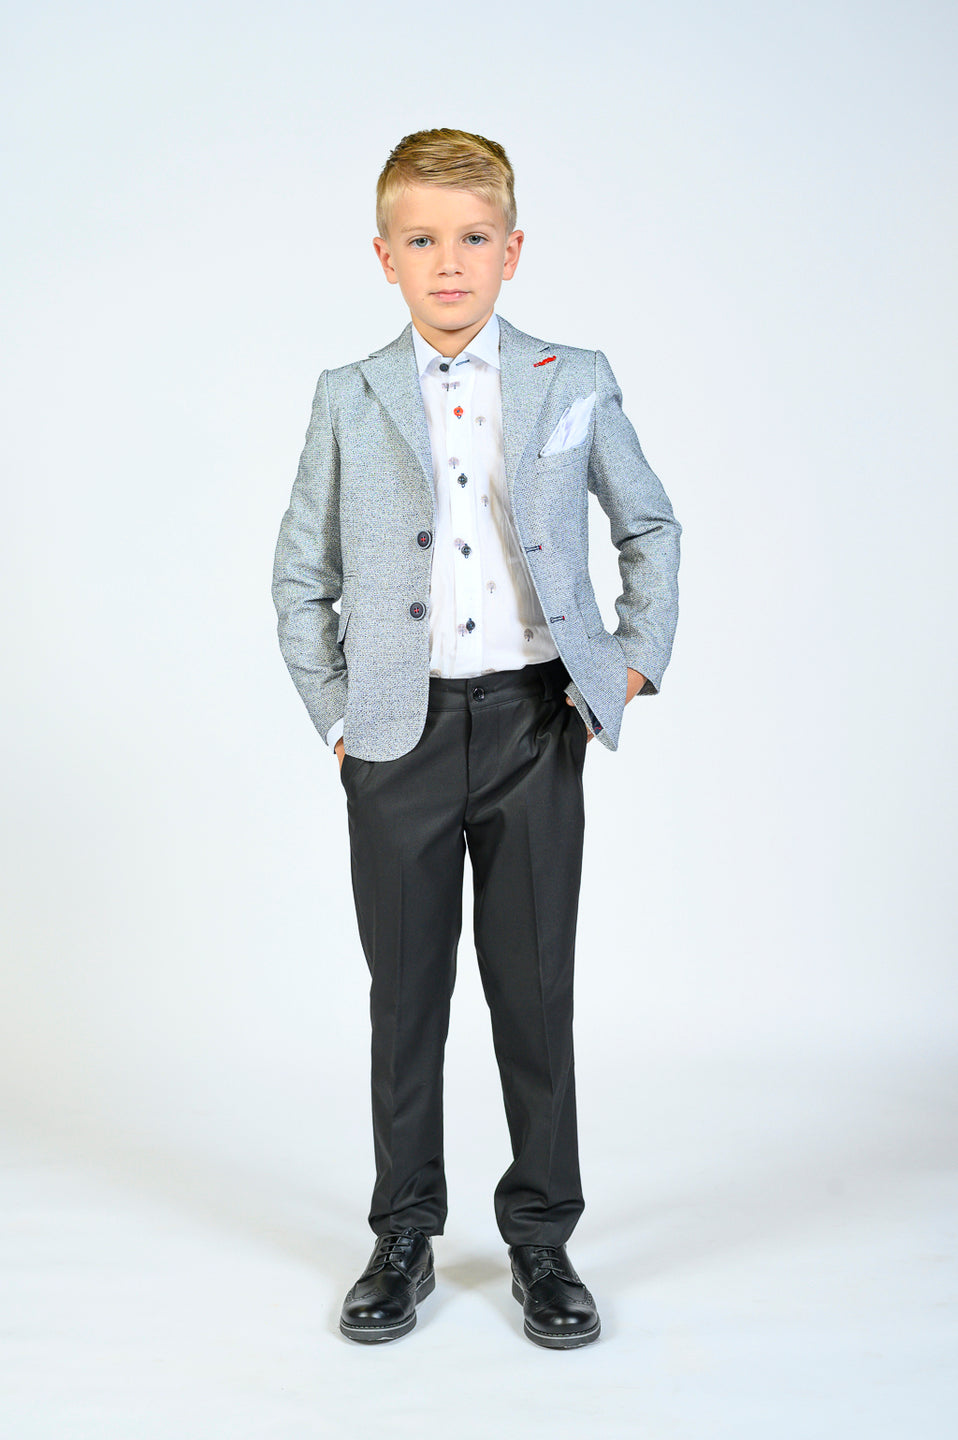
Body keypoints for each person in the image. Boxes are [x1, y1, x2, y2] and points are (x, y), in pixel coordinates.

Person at [272, 128, 681, 1349]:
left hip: (533, 725)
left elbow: (647, 525)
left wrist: (628, 662)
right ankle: (403, 1233)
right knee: (405, 998)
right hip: (395, 738)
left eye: (470, 238)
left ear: (511, 250)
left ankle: (542, 1239)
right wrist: (340, 719)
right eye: (421, 240)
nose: (447, 263)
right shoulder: (347, 395)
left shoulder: (572, 376)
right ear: (385, 257)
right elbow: (299, 576)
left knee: (532, 990)